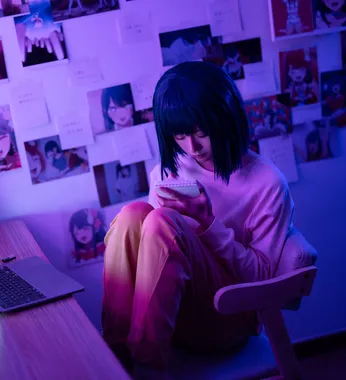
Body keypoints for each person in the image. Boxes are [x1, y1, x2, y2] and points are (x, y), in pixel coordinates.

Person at [102, 61, 297, 376]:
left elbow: (263, 276)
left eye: (201, 133)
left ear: (226, 117)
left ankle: (145, 367)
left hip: (230, 316)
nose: (191, 148)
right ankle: (113, 357)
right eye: (180, 136)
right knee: (132, 214)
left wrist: (208, 225)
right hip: (171, 313)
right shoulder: (168, 171)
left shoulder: (267, 183)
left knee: (162, 223)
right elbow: (148, 262)